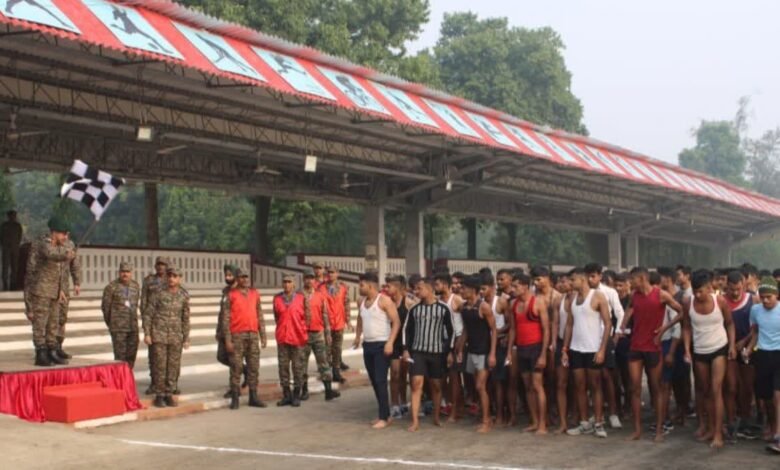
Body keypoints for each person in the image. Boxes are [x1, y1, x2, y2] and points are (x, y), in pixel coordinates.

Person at [618, 266, 682, 442]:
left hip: (653, 346)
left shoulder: (661, 295)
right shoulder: (634, 295)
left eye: (633, 279)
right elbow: (630, 308)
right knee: (634, 388)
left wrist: (664, 329)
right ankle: (637, 430)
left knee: (656, 388)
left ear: (642, 278)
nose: (631, 282)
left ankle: (659, 429)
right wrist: (623, 325)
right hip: (636, 346)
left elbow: (681, 312)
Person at [682, 270, 736, 449]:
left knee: (716, 389)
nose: (698, 295)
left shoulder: (720, 301)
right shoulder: (688, 302)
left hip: (719, 348)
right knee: (704, 390)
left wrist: (732, 346)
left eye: (701, 291)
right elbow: (686, 327)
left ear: (709, 288)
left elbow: (729, 323)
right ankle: (711, 428)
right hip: (699, 350)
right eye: (695, 291)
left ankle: (719, 433)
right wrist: (687, 349)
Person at [561, 268, 611, 438]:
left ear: (582, 279)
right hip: (576, 349)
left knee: (595, 387)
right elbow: (569, 325)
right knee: (579, 387)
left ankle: (598, 422)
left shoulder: (598, 296)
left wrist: (602, 349)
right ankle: (584, 423)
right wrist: (565, 349)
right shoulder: (573, 299)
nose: (570, 283)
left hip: (593, 349)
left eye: (572, 280)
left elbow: (608, 323)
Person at [24, 213, 76, 366]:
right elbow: (50, 254)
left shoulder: (60, 245)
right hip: (40, 290)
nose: (65, 237)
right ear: (54, 232)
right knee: (40, 323)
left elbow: (60, 271)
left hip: (55, 291)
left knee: (53, 322)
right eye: (63, 233)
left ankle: (52, 349)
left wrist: (61, 289)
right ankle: (40, 352)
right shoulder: (42, 243)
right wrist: (67, 254)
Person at [403, 276, 454, 432]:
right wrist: (406, 349)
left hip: (437, 353)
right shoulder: (414, 309)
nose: (416, 291)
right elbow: (406, 330)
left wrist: (449, 352)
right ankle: (415, 421)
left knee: (436, 385)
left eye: (420, 288)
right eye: (415, 289)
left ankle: (436, 416)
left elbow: (451, 331)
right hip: (418, 352)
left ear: (430, 289)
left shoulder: (443, 308)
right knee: (416, 383)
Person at [352, 271, 400, 430]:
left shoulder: (384, 301)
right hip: (368, 345)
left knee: (380, 380)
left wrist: (390, 343)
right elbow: (360, 318)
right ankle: (385, 414)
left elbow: (396, 322)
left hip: (381, 345)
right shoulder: (361, 301)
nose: (359, 287)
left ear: (370, 286)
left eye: (362, 285)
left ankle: (384, 417)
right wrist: (358, 336)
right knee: (374, 381)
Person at [143, 264, 190, 408]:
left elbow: (185, 318)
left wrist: (186, 337)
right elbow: (148, 314)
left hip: (176, 336)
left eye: (175, 276)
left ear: (180, 279)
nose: (171, 279)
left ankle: (169, 394)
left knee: (173, 367)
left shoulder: (183, 296)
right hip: (159, 335)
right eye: (169, 276)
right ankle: (159, 395)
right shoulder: (158, 293)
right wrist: (147, 333)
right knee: (160, 366)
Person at [507, 272, 549, 434]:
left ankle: (543, 424)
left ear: (525, 286)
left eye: (516, 286)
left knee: (537, 386)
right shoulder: (514, 304)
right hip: (522, 348)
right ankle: (534, 421)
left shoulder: (538, 302)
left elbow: (546, 330)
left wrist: (543, 354)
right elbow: (513, 329)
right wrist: (510, 351)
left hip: (536, 347)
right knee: (528, 387)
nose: (513, 289)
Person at [584, 263, 624, 430]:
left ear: (600, 276)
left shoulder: (609, 292)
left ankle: (613, 413)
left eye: (593, 276)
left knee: (608, 377)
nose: (590, 279)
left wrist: (617, 334)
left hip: (605, 339)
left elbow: (620, 313)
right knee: (592, 380)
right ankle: (597, 414)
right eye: (587, 276)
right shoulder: (584, 294)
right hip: (589, 341)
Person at [222, 268, 267, 410]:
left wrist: (263, 335)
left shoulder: (254, 293)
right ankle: (235, 397)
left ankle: (253, 396)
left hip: (252, 335)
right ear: (237, 279)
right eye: (242, 277)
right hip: (237, 335)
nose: (245, 279)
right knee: (236, 367)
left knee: (253, 367)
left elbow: (259, 314)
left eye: (246, 277)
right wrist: (228, 339)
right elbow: (225, 319)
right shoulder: (231, 295)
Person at [745, 276, 780, 453]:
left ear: (777, 295)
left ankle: (778, 436)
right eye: (763, 297)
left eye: (769, 297)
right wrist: (749, 349)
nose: (765, 300)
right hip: (763, 355)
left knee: (777, 396)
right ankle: (772, 426)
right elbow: (755, 332)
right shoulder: (755, 310)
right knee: (766, 397)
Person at [723, 270, 759, 440]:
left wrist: (745, 342)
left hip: (748, 348)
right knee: (730, 386)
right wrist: (731, 344)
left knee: (747, 386)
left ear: (744, 286)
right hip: (728, 348)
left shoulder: (753, 300)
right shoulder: (721, 301)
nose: (735, 293)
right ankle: (731, 420)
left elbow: (757, 327)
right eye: (732, 289)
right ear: (727, 287)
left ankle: (745, 419)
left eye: (738, 289)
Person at [459, 275, 497, 433]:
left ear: (472, 290)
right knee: (478, 387)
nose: (461, 291)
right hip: (471, 350)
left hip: (483, 351)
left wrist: (492, 353)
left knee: (480, 386)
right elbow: (466, 330)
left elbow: (493, 330)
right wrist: (460, 349)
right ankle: (484, 416)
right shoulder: (464, 308)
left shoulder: (483, 307)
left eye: (464, 288)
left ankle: (487, 420)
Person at [301, 269, 340, 401]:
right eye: (307, 278)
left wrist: (327, 333)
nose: (309, 280)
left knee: (323, 363)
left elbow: (325, 315)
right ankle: (304, 390)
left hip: (318, 333)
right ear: (303, 279)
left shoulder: (320, 295)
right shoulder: (298, 296)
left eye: (311, 278)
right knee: (302, 364)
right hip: (304, 334)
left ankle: (328, 390)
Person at [656, 267, 684, 436]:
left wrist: (671, 352)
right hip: (658, 345)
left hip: (670, 344)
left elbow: (678, 328)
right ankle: (663, 417)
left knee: (670, 383)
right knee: (661, 384)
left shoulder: (669, 299)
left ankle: (669, 417)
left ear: (666, 279)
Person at [480, 272, 511, 426]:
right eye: (479, 289)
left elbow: (510, 323)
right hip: (484, 344)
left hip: (498, 344)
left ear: (492, 287)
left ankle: (500, 414)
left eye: (484, 288)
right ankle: (488, 412)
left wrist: (498, 332)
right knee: (486, 382)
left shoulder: (501, 302)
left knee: (498, 381)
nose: (481, 292)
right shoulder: (480, 303)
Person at [273, 274, 308, 407]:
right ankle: (286, 395)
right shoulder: (277, 298)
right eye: (285, 282)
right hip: (283, 338)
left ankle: (296, 394)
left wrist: (302, 332)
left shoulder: (301, 298)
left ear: (294, 284)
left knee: (297, 368)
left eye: (289, 282)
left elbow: (307, 317)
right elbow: (277, 317)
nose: (287, 284)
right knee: (283, 368)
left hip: (297, 338)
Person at [434, 272, 464, 422]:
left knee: (454, 377)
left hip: (456, 340)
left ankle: (456, 409)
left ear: (445, 285)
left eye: (437, 284)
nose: (435, 287)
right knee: (442, 377)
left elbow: (466, 320)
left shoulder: (456, 300)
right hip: (443, 341)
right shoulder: (437, 301)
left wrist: (460, 343)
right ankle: (450, 404)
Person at [101, 261, 141, 368]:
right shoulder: (111, 287)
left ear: (131, 273)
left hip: (132, 327)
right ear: (119, 272)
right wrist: (112, 323)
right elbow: (105, 307)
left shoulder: (135, 286)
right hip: (118, 328)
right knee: (120, 357)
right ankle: (120, 377)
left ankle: (128, 375)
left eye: (127, 272)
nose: (125, 274)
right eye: (123, 271)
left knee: (131, 355)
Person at [141, 256, 169, 395]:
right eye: (158, 264)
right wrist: (146, 322)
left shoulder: (171, 279)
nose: (160, 267)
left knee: (169, 356)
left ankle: (169, 384)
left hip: (169, 322)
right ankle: (154, 383)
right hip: (153, 322)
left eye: (163, 264)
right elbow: (144, 302)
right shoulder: (149, 280)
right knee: (153, 356)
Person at [388, 274, 415, 419]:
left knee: (404, 374)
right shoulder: (388, 303)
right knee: (394, 373)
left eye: (390, 286)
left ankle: (404, 401)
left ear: (398, 288)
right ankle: (394, 404)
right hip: (393, 341)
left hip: (405, 343)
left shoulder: (409, 303)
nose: (387, 288)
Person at [319, 266, 351, 383]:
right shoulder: (321, 288)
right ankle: (327, 374)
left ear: (337, 273)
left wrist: (348, 320)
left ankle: (336, 372)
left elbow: (346, 304)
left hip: (339, 322)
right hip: (326, 324)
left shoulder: (343, 287)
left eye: (332, 272)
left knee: (337, 349)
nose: (330, 274)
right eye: (328, 272)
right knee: (327, 350)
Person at [54, 233, 81, 360]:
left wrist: (77, 282)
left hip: (64, 287)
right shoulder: (50, 245)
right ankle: (49, 347)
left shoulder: (70, 245)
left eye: (67, 233)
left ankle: (58, 346)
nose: (65, 235)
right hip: (50, 286)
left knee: (62, 317)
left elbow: (74, 265)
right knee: (51, 318)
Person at [217, 264, 239, 398]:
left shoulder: (239, 291)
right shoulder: (225, 291)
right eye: (226, 275)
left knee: (233, 359)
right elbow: (222, 313)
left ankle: (234, 388)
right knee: (221, 356)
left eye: (230, 275)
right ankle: (245, 370)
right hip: (223, 330)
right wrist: (218, 330)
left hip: (234, 329)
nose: (227, 277)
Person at [1, 209, 22, 291]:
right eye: (12, 215)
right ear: (9, 216)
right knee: (5, 267)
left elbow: (19, 237)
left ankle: (13, 284)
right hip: (7, 248)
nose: (13, 217)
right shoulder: (4, 225)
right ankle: (5, 284)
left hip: (14, 249)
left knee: (14, 267)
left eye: (14, 216)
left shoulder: (18, 226)